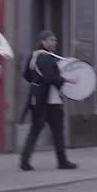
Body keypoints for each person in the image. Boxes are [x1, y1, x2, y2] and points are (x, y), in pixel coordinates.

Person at [20, 30, 77, 171]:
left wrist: (37, 83)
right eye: (51, 40)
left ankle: (25, 161)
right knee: (56, 132)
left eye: (55, 40)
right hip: (49, 101)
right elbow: (50, 77)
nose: (54, 43)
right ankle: (62, 162)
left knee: (36, 131)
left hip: (38, 98)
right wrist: (65, 80)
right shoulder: (45, 57)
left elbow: (27, 75)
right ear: (43, 42)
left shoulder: (34, 56)